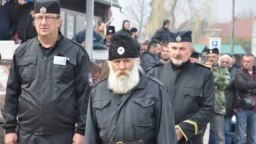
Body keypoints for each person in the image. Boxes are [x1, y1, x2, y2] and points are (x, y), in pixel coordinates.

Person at [2, 0, 91, 144]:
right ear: (34, 21)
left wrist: (81, 130)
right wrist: (10, 129)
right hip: (28, 135)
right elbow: (12, 92)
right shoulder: (22, 53)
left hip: (63, 135)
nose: (43, 22)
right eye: (39, 17)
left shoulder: (76, 53)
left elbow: (85, 94)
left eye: (49, 17)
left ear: (59, 21)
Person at [85, 34, 176, 144]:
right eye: (117, 62)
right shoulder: (97, 92)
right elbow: (91, 137)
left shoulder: (156, 90)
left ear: (136, 62)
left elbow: (166, 137)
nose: (122, 67)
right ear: (109, 64)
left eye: (127, 60)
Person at [148, 31, 215, 144]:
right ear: (168, 49)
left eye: (182, 49)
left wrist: (181, 130)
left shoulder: (204, 75)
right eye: (174, 48)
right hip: (158, 139)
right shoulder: (154, 73)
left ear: (191, 51)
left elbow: (208, 108)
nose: (177, 53)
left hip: (189, 139)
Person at [206, 49, 230, 144]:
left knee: (219, 136)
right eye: (209, 57)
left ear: (218, 57)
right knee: (199, 134)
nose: (211, 59)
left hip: (217, 106)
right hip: (202, 106)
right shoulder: (201, 68)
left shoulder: (222, 70)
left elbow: (224, 83)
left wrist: (211, 72)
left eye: (213, 57)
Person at [234, 54, 256, 144]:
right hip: (242, 107)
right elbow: (241, 85)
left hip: (254, 109)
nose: (245, 63)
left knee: (253, 136)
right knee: (241, 135)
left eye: (248, 61)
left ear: (253, 62)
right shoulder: (239, 72)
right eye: (244, 61)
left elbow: (246, 86)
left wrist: (248, 88)